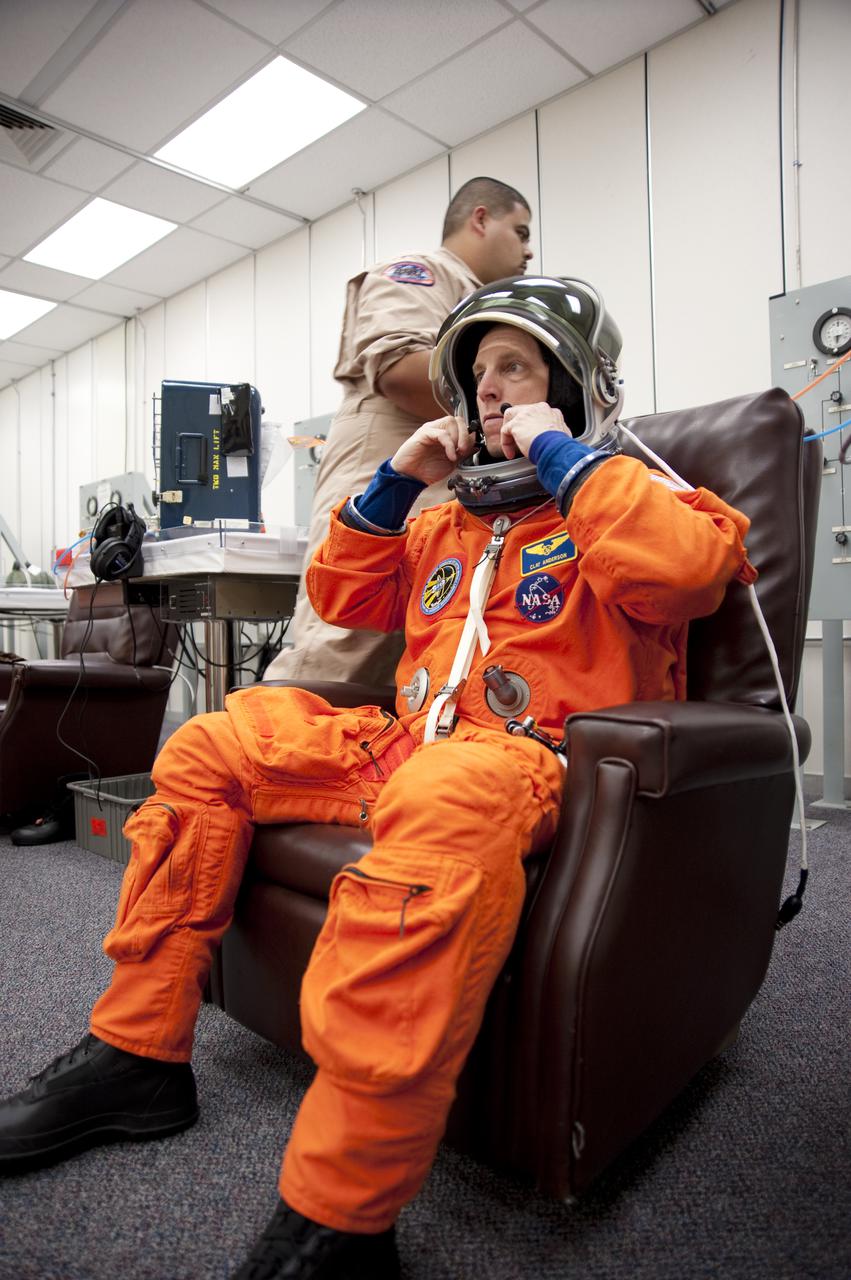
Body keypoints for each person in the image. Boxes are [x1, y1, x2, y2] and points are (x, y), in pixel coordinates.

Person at [0, 277, 756, 1280]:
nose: (486, 389)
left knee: (441, 802)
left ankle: (340, 1213)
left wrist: (558, 454)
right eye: (475, 371)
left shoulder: (644, 498)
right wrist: (398, 475)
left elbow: (681, 575)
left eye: (513, 369)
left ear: (571, 386)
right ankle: (138, 1053)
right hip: (401, 740)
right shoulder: (446, 520)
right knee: (208, 747)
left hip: (523, 757)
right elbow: (342, 593)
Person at [263, 175, 534, 687]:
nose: (528, 248)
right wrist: (511, 399)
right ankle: (277, 756)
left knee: (417, 656)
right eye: (519, 231)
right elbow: (400, 369)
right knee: (345, 644)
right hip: (389, 461)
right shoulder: (422, 274)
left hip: (448, 485)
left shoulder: (487, 304)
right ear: (480, 218)